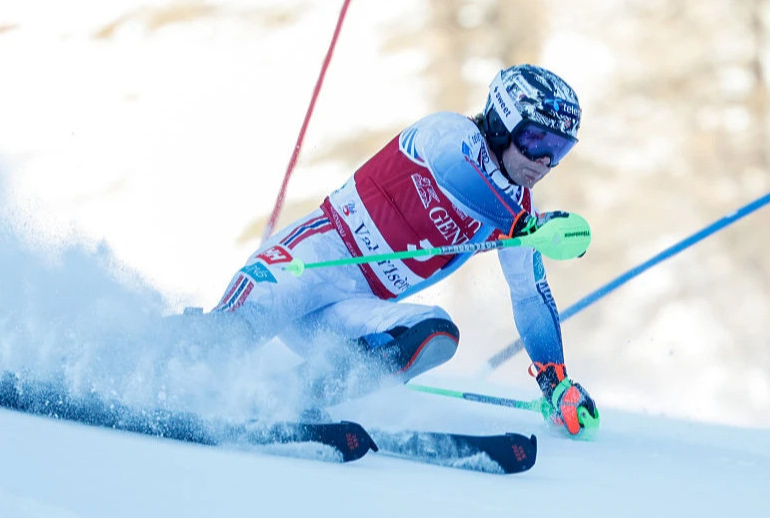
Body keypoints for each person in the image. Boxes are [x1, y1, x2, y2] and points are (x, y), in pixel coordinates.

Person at [211, 64, 598, 435]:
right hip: (305, 263)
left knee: (436, 333)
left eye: (559, 149)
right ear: (502, 122)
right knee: (218, 342)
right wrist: (521, 225)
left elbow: (529, 296)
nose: (544, 162)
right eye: (537, 141)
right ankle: (186, 367)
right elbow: (455, 173)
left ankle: (287, 397)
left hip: (349, 312)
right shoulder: (450, 133)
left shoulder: (518, 213)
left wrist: (556, 384)